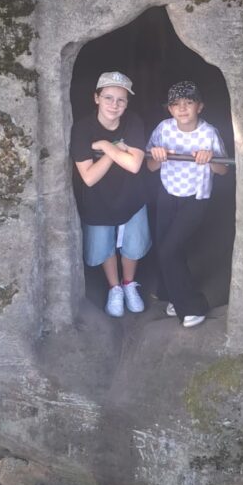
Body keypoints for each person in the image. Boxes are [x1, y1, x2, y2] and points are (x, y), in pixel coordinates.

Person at [146, 80, 228, 328]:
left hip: (196, 196)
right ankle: (175, 296)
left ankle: (193, 306)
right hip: (168, 192)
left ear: (199, 107)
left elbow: (223, 170)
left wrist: (210, 159)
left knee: (169, 249)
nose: (182, 108)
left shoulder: (209, 133)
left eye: (188, 102)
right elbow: (150, 166)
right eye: (176, 104)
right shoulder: (163, 129)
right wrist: (158, 156)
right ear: (169, 109)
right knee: (167, 247)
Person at [70, 71, 151, 317]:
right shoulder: (82, 128)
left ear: (127, 103)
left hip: (131, 194)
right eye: (108, 98)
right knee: (103, 246)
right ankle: (114, 288)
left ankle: (128, 284)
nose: (114, 105)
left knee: (133, 244)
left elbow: (134, 165)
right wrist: (115, 148)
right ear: (96, 98)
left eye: (121, 100)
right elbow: (89, 177)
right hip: (98, 198)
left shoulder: (133, 121)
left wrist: (105, 146)